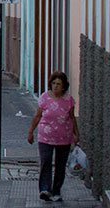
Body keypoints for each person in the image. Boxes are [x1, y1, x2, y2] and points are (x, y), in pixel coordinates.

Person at [27, 70, 78, 202]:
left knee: (61, 165)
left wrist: (76, 134)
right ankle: (45, 189)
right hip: (45, 136)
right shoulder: (44, 98)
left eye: (59, 84)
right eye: (54, 83)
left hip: (64, 138)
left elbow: (72, 118)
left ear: (64, 86)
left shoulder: (68, 100)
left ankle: (56, 191)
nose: (55, 86)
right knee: (46, 161)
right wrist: (30, 131)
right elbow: (37, 115)